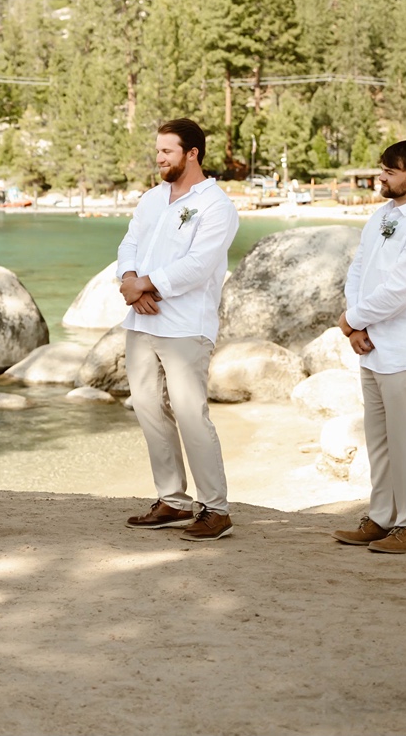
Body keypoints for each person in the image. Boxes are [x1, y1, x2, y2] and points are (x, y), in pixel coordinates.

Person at [117, 118, 239, 541]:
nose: (159, 158)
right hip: (142, 318)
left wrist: (145, 285)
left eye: (167, 151)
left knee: (190, 413)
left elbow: (199, 265)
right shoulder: (152, 199)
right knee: (148, 407)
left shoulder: (216, 206)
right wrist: (130, 282)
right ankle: (172, 499)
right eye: (158, 150)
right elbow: (129, 243)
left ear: (192, 154)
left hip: (186, 324)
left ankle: (215, 508)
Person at [333, 140, 406, 555]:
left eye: (389, 170)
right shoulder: (382, 215)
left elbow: (402, 289)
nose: (380, 176)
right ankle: (381, 517)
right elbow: (359, 270)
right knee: (379, 440)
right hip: (374, 346)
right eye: (381, 168)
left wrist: (353, 320)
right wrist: (355, 326)